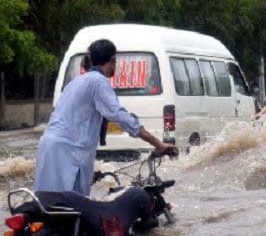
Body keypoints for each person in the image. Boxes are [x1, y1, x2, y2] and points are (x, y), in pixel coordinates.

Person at [34, 39, 178, 197]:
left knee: (47, 205)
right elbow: (120, 116)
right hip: (70, 153)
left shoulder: (75, 83)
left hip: (49, 148)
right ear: (113, 60)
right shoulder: (98, 82)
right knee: (71, 209)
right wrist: (157, 143)